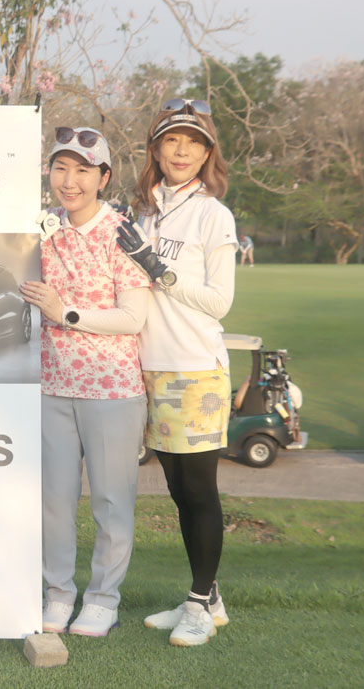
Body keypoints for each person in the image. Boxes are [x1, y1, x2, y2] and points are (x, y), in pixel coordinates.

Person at [20, 127, 149, 638]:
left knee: (112, 501)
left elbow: (133, 317)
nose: (69, 181)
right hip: (51, 385)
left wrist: (65, 312)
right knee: (53, 499)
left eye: (82, 170)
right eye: (60, 168)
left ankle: (102, 599)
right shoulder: (41, 230)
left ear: (104, 177)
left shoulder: (123, 233)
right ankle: (57, 594)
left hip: (113, 389)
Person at [116, 98, 236, 647]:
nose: (182, 150)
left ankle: (198, 604)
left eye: (193, 142)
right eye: (172, 140)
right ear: (156, 150)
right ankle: (208, 598)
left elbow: (219, 302)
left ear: (207, 153)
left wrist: (157, 268)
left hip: (195, 368)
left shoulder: (213, 214)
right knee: (179, 491)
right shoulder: (143, 213)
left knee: (200, 490)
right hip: (149, 367)